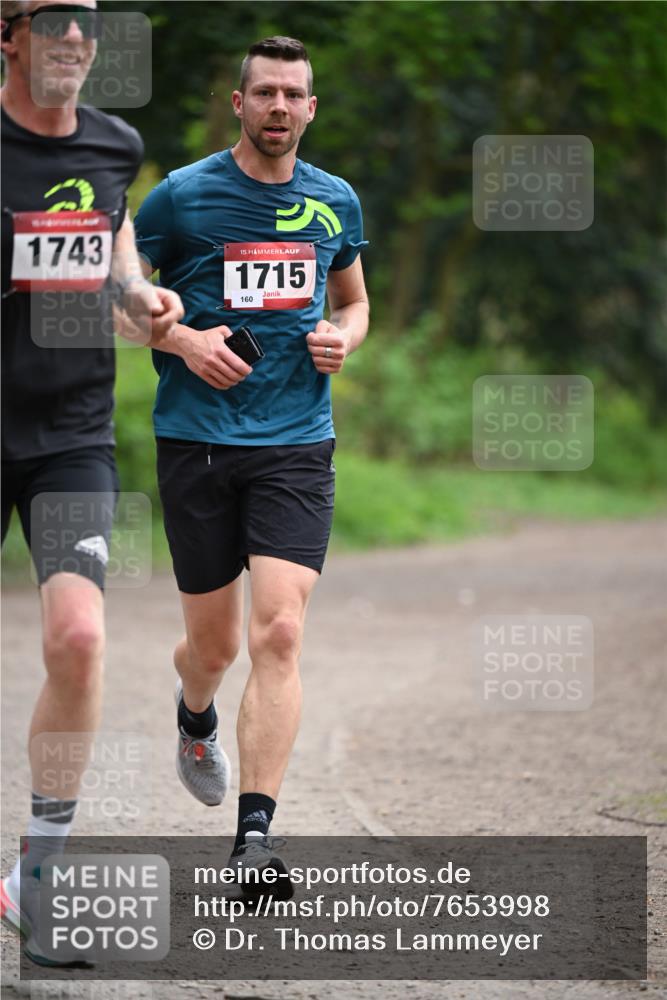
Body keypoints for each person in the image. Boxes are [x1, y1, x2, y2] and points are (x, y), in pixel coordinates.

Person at [135, 36, 369, 882]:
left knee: (278, 629)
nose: (278, 106)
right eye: (264, 92)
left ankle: (254, 842)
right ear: (239, 103)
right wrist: (184, 340)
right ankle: (194, 714)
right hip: (196, 440)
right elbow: (119, 303)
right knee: (214, 649)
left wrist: (343, 338)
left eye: (292, 94)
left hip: (297, 441)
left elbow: (353, 301)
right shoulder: (180, 197)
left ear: (311, 108)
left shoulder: (334, 200)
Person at [0, 0, 183, 965]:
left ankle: (36, 880)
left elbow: (114, 266)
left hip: (69, 432)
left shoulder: (115, 146)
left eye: (90, 21)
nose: (78, 35)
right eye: (57, 16)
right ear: (9, 36)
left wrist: (144, 298)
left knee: (78, 637)